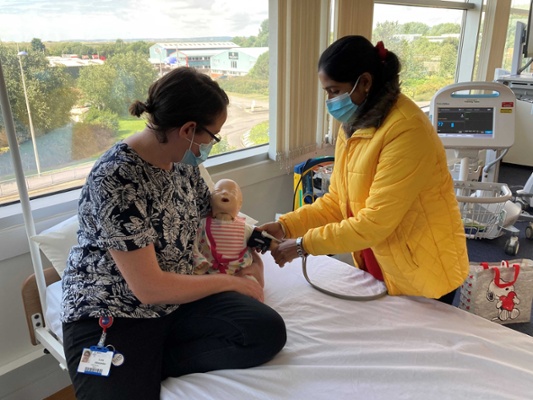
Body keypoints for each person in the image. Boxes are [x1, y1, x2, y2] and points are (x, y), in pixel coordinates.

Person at [61, 67, 286, 400]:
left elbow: (216, 218)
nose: (211, 144)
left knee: (265, 332)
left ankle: (149, 362)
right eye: (214, 135)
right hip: (118, 308)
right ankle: (133, 364)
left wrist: (253, 259)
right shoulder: (117, 179)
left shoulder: (181, 164)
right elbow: (149, 288)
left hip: (179, 297)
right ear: (189, 130)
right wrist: (233, 282)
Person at [260, 35, 469, 304]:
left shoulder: (407, 130)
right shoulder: (353, 125)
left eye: (334, 91)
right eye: (327, 92)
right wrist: (285, 226)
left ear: (366, 82)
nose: (330, 100)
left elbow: (374, 223)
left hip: (422, 270)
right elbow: (337, 203)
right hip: (382, 264)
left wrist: (303, 246)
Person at [193, 178, 259, 284]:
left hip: (239, 275)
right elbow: (193, 244)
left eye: (232, 192)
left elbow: (263, 238)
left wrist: (274, 245)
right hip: (210, 275)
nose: (224, 192)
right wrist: (198, 260)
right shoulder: (202, 225)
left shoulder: (246, 228)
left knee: (253, 285)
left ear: (239, 204)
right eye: (218, 191)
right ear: (210, 200)